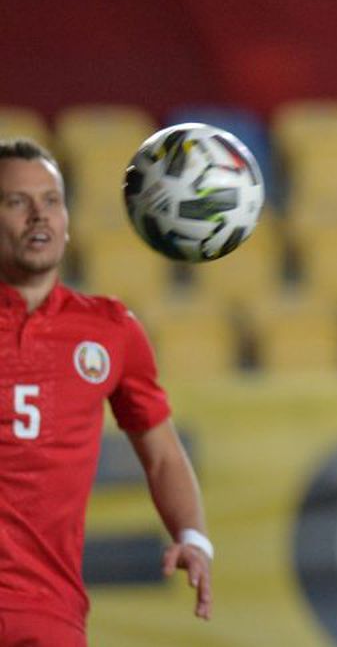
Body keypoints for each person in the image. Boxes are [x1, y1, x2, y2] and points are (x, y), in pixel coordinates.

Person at [0, 139, 213, 645]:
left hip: (48, 611)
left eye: (52, 200)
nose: (39, 215)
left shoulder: (111, 330)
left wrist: (192, 536)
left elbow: (162, 454)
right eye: (17, 201)